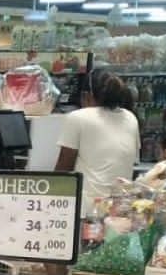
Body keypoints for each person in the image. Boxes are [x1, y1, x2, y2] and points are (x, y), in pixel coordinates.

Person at [55, 72, 140, 203]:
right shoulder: (131, 118)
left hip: (87, 206)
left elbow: (63, 171)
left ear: (87, 95)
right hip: (120, 205)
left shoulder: (78, 117)